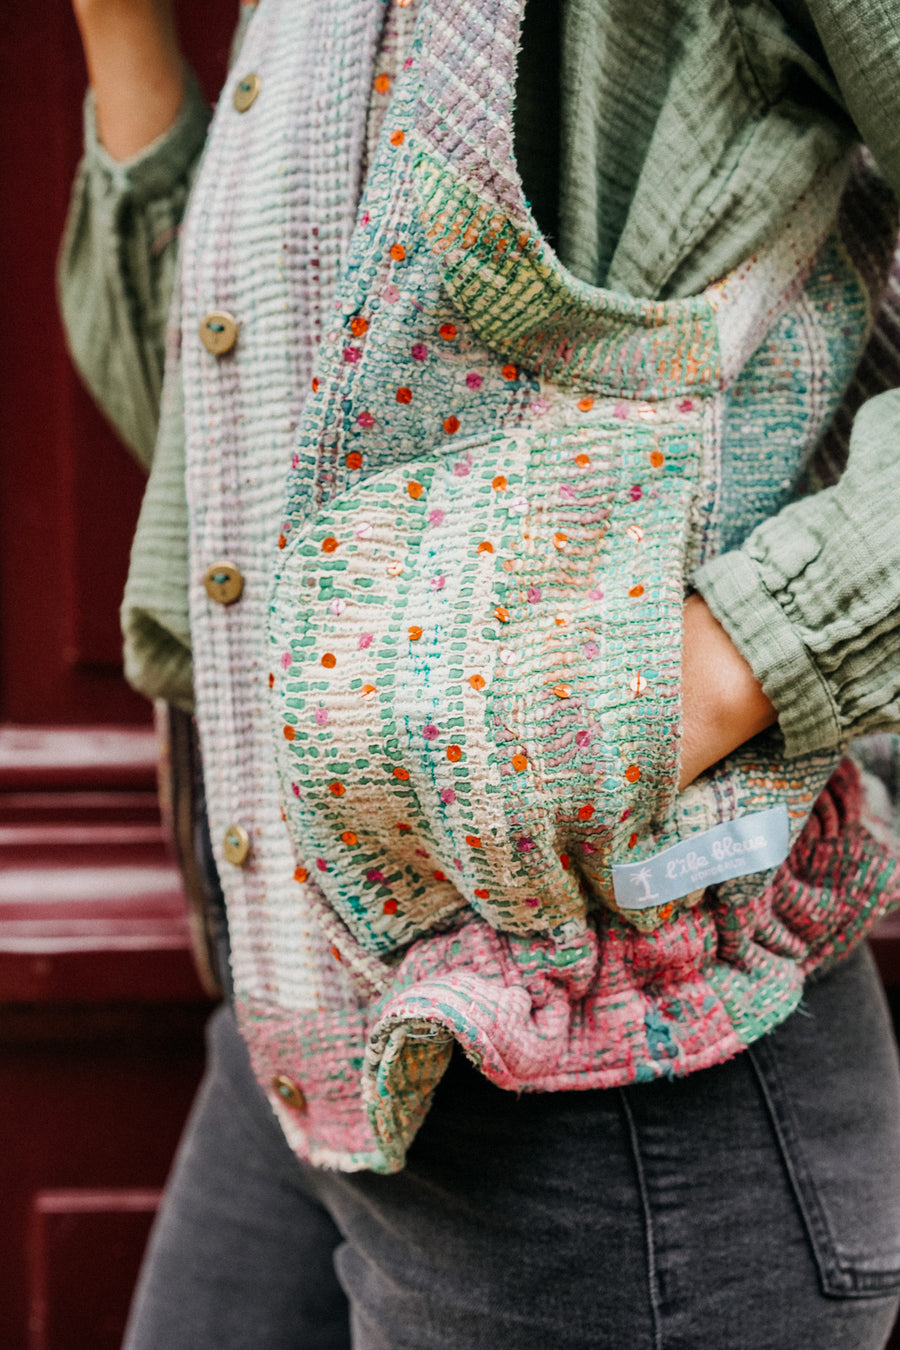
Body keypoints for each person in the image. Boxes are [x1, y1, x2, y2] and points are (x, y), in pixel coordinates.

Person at [61, 0, 900, 1345]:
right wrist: (124, 38)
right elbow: (230, 471)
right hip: (310, 1017)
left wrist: (735, 657)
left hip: (612, 1082)